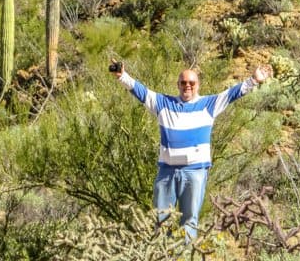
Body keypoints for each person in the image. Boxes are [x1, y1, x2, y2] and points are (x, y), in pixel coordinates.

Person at [110, 61, 272, 241]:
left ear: (198, 85)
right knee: (161, 219)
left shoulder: (209, 104)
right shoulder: (163, 103)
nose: (187, 86)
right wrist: (122, 76)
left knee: (189, 219)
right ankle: (161, 254)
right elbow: (140, 91)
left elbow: (233, 93)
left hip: (195, 171)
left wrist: (254, 80)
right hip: (167, 172)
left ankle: (185, 255)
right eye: (183, 83)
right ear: (178, 85)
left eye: (192, 83)